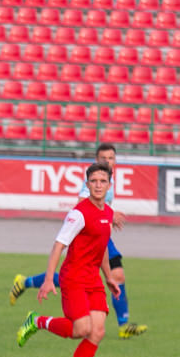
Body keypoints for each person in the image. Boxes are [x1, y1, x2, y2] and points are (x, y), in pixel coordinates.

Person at [9, 144, 147, 339]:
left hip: (101, 231)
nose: (107, 161)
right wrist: (107, 214)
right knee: (79, 276)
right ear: (96, 160)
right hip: (89, 231)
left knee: (115, 275)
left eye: (111, 158)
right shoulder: (93, 182)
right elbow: (84, 204)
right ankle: (28, 283)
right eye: (103, 158)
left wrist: (107, 216)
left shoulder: (110, 179)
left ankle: (123, 324)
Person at [16, 163, 122, 357]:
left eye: (102, 181)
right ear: (87, 184)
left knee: (98, 331)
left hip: (93, 279)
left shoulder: (108, 213)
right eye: (93, 181)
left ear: (109, 186)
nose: (98, 185)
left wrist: (109, 277)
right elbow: (58, 246)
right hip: (73, 277)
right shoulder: (78, 213)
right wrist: (46, 280)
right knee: (81, 329)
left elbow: (101, 246)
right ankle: (36, 321)